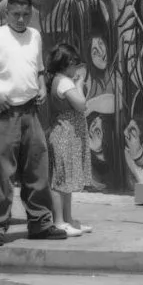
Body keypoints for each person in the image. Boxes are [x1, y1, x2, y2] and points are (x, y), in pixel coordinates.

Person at [0, 0, 66, 246]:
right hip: (4, 113)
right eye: (16, 14)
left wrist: (42, 87)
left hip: (31, 112)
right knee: (3, 172)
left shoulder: (35, 36)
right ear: (6, 14)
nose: (21, 19)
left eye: (26, 14)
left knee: (37, 168)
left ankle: (40, 223)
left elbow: (39, 70)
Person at [46, 41, 95, 236]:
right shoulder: (65, 81)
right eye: (74, 63)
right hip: (64, 136)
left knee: (66, 182)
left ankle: (67, 219)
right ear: (65, 64)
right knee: (60, 182)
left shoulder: (59, 79)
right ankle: (59, 221)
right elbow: (81, 104)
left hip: (66, 136)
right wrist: (80, 83)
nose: (76, 67)